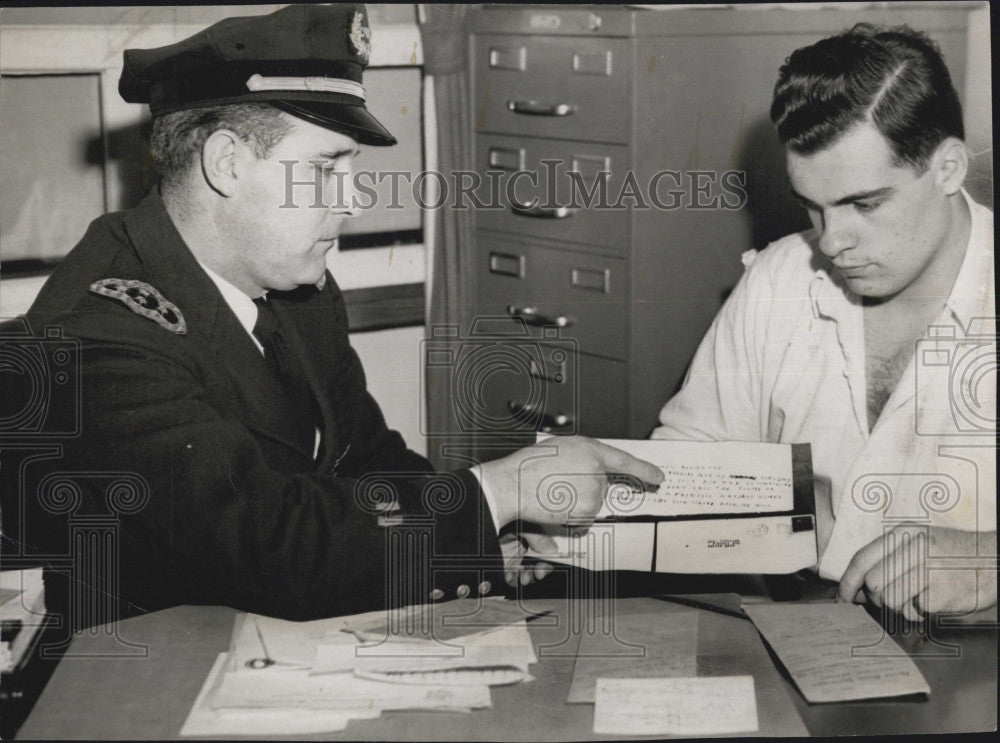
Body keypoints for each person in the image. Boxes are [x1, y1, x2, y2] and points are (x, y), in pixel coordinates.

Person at [1, 5, 661, 626]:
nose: (353, 201)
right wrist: (494, 493)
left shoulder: (295, 286)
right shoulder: (94, 336)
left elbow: (364, 458)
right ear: (226, 164)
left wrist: (492, 535)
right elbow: (267, 545)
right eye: (325, 168)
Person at [653, 23, 995, 621]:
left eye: (863, 204)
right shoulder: (782, 278)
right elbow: (688, 466)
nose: (832, 241)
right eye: (812, 205)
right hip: (803, 626)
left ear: (947, 168)